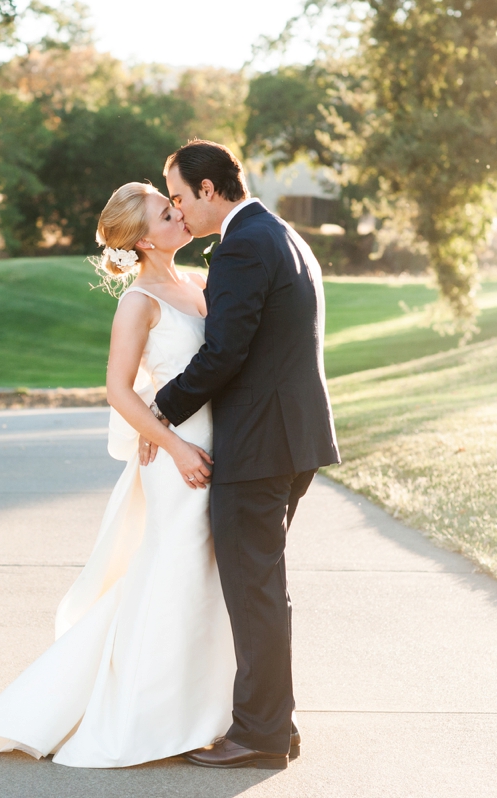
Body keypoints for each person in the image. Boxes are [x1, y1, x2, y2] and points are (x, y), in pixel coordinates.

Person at [0, 180, 237, 767]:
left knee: (213, 579)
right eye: (168, 213)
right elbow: (117, 390)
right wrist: (173, 446)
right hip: (180, 460)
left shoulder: (201, 284)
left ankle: (211, 710)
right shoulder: (139, 302)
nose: (181, 214)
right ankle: (154, 716)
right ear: (141, 239)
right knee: (177, 575)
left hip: (225, 447)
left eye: (176, 206)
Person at [149, 140, 339, 769]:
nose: (178, 209)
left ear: (208, 189)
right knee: (264, 587)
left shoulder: (241, 245)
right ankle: (274, 726)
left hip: (260, 445)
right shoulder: (281, 233)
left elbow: (224, 353)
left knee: (254, 590)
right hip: (292, 439)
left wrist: (161, 410)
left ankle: (259, 735)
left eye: (179, 196)